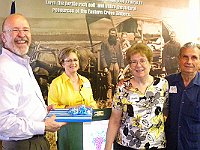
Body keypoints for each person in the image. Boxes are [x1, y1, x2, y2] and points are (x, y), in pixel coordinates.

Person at [0, 14, 66, 150]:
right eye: (15, 30)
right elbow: (3, 123)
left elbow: (21, 106)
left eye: (25, 30)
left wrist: (42, 111)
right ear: (3, 37)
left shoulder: (21, 63)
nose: (21, 35)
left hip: (34, 141)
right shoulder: (4, 69)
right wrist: (43, 126)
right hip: (23, 144)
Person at [105, 43, 169, 150]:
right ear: (129, 66)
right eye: (133, 62)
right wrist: (107, 147)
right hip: (126, 145)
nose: (138, 65)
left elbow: (166, 111)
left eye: (142, 60)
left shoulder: (163, 85)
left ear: (150, 63)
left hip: (156, 145)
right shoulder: (122, 87)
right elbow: (115, 119)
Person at [48, 47, 97, 149]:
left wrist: (92, 109)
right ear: (62, 63)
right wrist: (73, 108)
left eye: (75, 60)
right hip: (66, 129)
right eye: (69, 60)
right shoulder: (56, 83)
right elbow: (52, 108)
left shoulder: (86, 81)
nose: (73, 63)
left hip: (87, 127)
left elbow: (92, 102)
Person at [165, 42, 200, 150]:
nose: (189, 62)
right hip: (170, 144)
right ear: (179, 59)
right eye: (185, 57)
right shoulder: (167, 82)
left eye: (194, 58)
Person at [100, 28, 124, 100]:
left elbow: (121, 55)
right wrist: (105, 67)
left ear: (116, 34)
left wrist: (122, 67)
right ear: (109, 34)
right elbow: (102, 55)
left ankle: (117, 97)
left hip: (116, 63)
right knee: (109, 82)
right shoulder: (105, 43)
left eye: (114, 33)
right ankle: (109, 99)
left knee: (117, 81)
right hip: (108, 64)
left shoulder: (118, 43)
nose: (112, 35)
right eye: (111, 33)